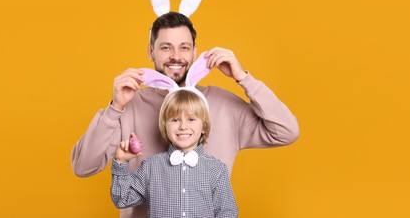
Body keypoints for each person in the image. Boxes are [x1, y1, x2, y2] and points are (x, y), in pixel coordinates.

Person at [72, 11, 299, 218]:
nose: (176, 56)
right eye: (165, 47)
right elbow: (83, 167)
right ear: (151, 51)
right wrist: (114, 108)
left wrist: (244, 78)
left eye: (184, 47)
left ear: (195, 52)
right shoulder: (129, 105)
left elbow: (286, 132)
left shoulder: (223, 104)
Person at [111, 89, 238, 218]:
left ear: (204, 127)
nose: (183, 126)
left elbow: (227, 213)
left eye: (191, 119)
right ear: (165, 125)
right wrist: (121, 162)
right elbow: (122, 199)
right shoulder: (151, 166)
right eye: (175, 120)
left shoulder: (216, 169)